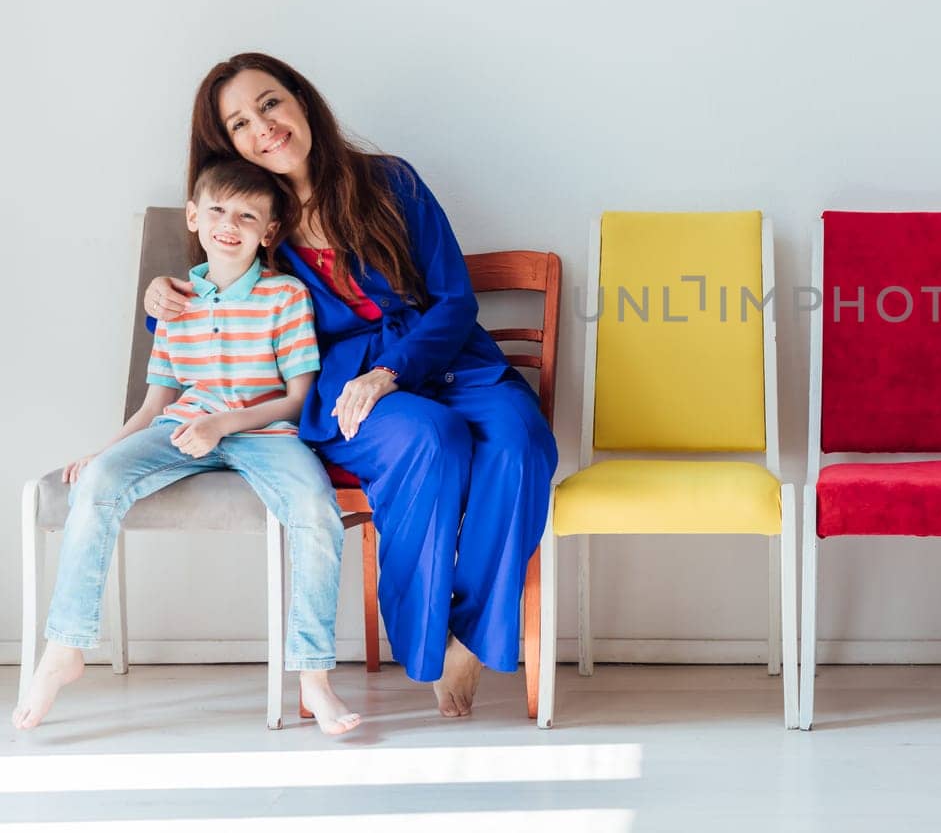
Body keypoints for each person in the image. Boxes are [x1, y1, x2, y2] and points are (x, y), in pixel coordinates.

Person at [144, 53, 557, 717]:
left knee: (521, 439)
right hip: (342, 388)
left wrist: (391, 371)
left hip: (448, 358)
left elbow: (454, 300)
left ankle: (468, 634)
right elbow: (211, 297)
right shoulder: (257, 223)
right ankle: (426, 648)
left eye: (271, 103)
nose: (265, 126)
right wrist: (158, 296)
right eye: (242, 122)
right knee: (430, 437)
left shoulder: (391, 181)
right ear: (229, 143)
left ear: (301, 100)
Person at [14, 160, 358, 735]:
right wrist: (105, 450)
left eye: (248, 215)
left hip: (264, 432)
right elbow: (154, 406)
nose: (231, 224)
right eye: (218, 210)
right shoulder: (175, 303)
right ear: (195, 217)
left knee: (315, 510)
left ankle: (314, 678)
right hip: (180, 427)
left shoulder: (285, 296)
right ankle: (66, 647)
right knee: (96, 483)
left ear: (268, 232)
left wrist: (225, 423)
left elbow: (299, 399)